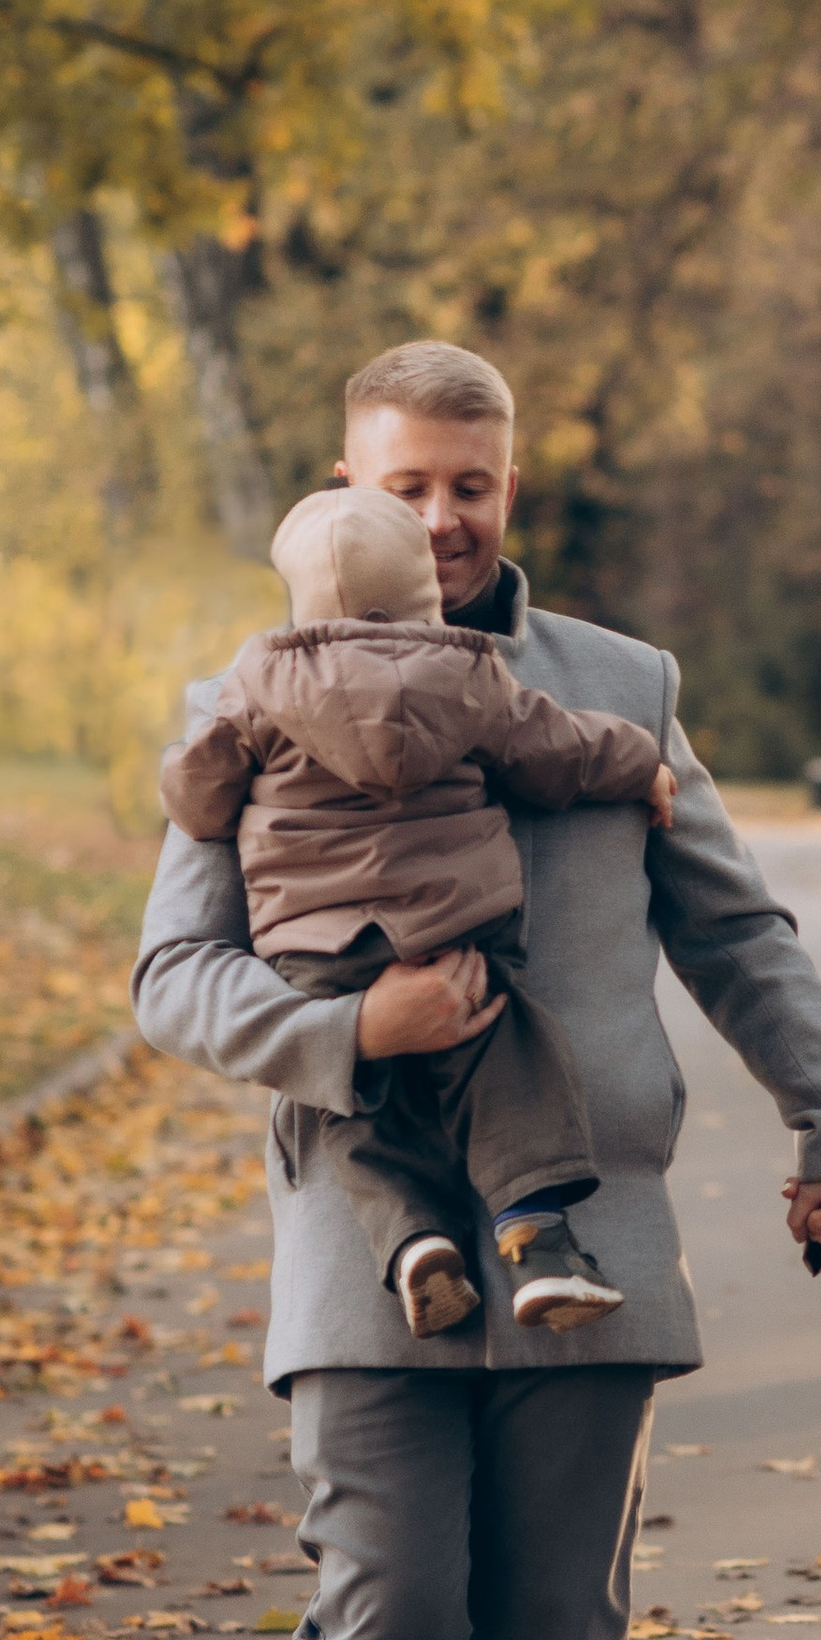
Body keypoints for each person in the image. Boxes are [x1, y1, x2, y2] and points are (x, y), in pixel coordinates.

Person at [132, 342, 821, 1640]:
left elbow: (735, 929)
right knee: (382, 1629)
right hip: (364, 1234)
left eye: (471, 481)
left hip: (594, 1241)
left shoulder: (615, 694)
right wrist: (359, 1032)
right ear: (348, 483)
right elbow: (176, 981)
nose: (443, 515)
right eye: (407, 483)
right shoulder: (242, 698)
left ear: (509, 481)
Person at [160, 480, 678, 1341]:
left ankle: (412, 1245)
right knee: (511, 1056)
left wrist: (195, 773)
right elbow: (558, 749)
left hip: (314, 945)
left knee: (351, 1109)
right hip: (453, 928)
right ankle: (535, 1236)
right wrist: (642, 762)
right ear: (422, 591)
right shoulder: (471, 670)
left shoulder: (258, 679)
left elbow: (200, 798)